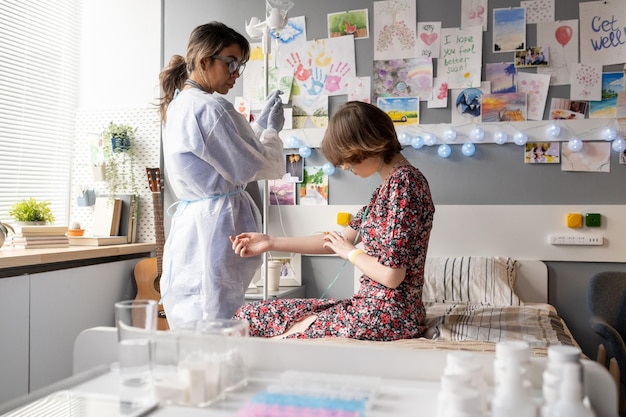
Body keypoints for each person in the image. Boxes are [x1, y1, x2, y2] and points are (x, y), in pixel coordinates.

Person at [230, 101, 435, 341]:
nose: (346, 167)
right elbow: (337, 241)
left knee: (288, 334)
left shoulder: (405, 184)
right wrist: (270, 242)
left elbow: (392, 276)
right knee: (250, 315)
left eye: (348, 158)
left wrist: (351, 253)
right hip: (369, 307)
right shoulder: (386, 188)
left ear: (367, 145)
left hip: (391, 316)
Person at [158, 22, 286, 329]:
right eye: (230, 63)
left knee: (197, 309)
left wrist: (256, 130)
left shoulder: (179, 105)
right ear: (204, 61)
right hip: (216, 223)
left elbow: (225, 158)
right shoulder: (213, 108)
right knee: (217, 315)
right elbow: (262, 166)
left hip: (195, 223)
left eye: (239, 65)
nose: (236, 73)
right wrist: (269, 132)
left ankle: (200, 373)